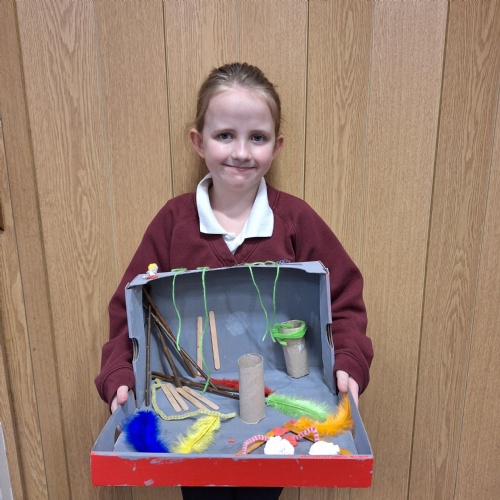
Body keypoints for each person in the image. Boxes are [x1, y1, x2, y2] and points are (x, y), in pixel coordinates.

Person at [95, 62, 374, 499]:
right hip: (193, 414)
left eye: (257, 137)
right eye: (225, 135)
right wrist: (118, 373)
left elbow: (344, 299)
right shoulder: (173, 223)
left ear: (276, 146)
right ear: (198, 141)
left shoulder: (295, 220)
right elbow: (127, 313)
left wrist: (350, 362)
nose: (241, 152)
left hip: (276, 413)